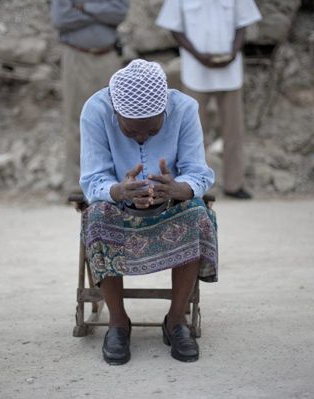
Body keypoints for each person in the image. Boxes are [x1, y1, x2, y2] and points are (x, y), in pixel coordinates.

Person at [80, 60, 218, 365]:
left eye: (152, 130)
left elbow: (198, 173)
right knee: (96, 215)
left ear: (165, 112)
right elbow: (92, 179)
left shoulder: (184, 109)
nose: (142, 138)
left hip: (172, 206)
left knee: (196, 212)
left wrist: (179, 189)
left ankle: (176, 320)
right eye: (132, 131)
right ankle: (118, 322)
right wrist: (118, 191)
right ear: (116, 113)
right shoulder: (96, 110)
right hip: (119, 206)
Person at [155, 0, 262, 200]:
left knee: (233, 130)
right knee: (192, 131)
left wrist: (233, 52)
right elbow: (174, 29)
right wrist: (198, 56)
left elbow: (243, 24)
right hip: (196, 70)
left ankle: (234, 184)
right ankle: (192, 185)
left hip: (229, 70)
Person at [50, 0, 129, 194]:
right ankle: (76, 183)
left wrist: (85, 7)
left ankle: (115, 183)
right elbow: (61, 18)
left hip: (108, 57)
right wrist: (102, 15)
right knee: (75, 119)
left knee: (116, 119)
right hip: (76, 56)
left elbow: (119, 13)